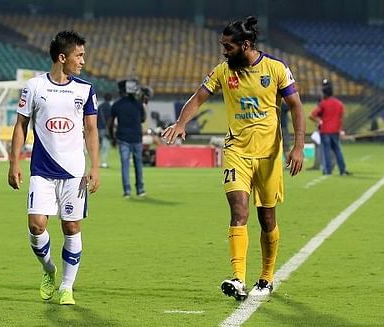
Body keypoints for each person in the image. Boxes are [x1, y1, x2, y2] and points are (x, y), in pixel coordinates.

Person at [162, 16, 305, 301]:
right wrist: (181, 123)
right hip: (236, 153)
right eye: (222, 46)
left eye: (228, 46)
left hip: (268, 155)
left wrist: (298, 146)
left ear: (245, 45)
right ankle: (238, 278)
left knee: (267, 219)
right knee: (238, 211)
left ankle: (266, 276)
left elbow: (296, 106)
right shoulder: (222, 71)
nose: (223, 51)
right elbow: (198, 98)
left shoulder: (275, 69)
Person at [7, 30, 100, 305]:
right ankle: (49, 269)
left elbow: (91, 129)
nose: (83, 60)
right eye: (79, 55)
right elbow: (21, 126)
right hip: (42, 170)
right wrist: (14, 162)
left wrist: (95, 166)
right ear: (63, 57)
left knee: (71, 227)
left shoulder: (85, 89)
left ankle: (67, 287)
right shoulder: (34, 87)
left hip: (73, 172)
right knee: (36, 226)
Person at [108, 79, 146, 198]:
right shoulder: (138, 103)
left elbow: (110, 123)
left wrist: (112, 138)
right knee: (138, 164)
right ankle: (140, 189)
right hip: (136, 137)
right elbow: (143, 118)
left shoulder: (116, 105)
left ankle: (127, 191)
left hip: (122, 137)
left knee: (125, 164)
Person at [309, 79, 350, 175]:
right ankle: (342, 169)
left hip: (325, 130)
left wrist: (319, 121)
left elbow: (312, 115)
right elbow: (340, 119)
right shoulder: (339, 104)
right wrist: (341, 130)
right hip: (335, 130)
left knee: (326, 150)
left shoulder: (323, 103)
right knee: (337, 150)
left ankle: (327, 170)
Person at [97, 93, 112, 168]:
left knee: (99, 146)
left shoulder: (100, 107)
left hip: (99, 128)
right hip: (106, 129)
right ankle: (103, 162)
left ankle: (96, 161)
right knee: (105, 146)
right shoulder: (110, 107)